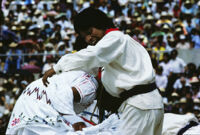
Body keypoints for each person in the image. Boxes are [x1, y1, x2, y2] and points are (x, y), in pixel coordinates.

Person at [42, 7, 164, 135]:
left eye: (90, 32)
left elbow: (92, 55)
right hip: (148, 105)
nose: (89, 38)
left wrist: (57, 68)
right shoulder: (117, 45)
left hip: (139, 106)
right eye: (85, 37)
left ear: (100, 24)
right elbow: (92, 65)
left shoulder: (115, 38)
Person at [6, 70, 98, 134]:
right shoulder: (92, 85)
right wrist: (75, 121)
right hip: (42, 98)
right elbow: (64, 95)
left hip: (31, 94)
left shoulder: (82, 74)